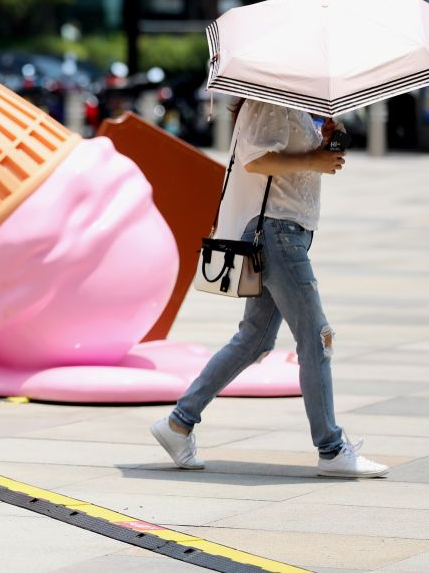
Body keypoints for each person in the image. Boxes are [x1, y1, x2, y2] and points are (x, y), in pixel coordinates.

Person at [150, 98, 388, 478]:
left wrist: (324, 144)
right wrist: (313, 161)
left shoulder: (289, 104)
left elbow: (285, 160)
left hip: (286, 232)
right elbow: (256, 160)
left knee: (253, 340)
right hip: (278, 233)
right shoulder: (269, 102)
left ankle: (179, 423)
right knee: (316, 337)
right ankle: (331, 448)